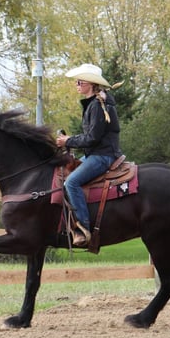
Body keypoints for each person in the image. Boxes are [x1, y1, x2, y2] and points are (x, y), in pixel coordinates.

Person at [56, 63, 123, 246]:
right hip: (97, 153)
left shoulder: (98, 106)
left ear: (91, 84)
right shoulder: (95, 104)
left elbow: (92, 138)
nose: (77, 84)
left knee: (72, 182)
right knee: (66, 174)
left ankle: (83, 228)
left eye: (80, 81)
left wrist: (67, 141)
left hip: (103, 156)